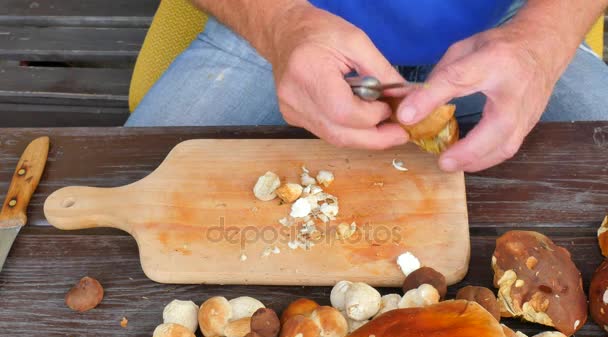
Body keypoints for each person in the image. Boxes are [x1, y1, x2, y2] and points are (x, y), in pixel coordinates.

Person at [126, 0, 608, 172]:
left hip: (514, 24)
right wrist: (279, 24)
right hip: (284, 22)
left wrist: (543, 41)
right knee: (132, 189)